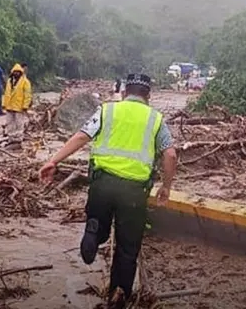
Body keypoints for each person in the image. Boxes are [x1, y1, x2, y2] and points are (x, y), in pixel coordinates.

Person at [38, 74, 177, 308]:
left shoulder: (106, 111)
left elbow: (81, 136)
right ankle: (119, 293)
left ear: (123, 93)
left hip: (102, 185)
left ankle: (94, 231)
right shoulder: (156, 119)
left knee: (99, 223)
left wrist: (54, 161)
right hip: (134, 192)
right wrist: (166, 186)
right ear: (148, 97)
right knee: (127, 248)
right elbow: (170, 154)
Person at [2, 63, 32, 133]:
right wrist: (4, 104)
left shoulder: (25, 82)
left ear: (20, 73)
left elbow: (27, 95)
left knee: (19, 123)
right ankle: (10, 136)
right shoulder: (9, 81)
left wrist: (25, 106)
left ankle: (18, 137)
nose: (16, 73)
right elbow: (6, 93)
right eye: (15, 72)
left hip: (19, 106)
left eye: (18, 72)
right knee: (9, 123)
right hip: (9, 106)